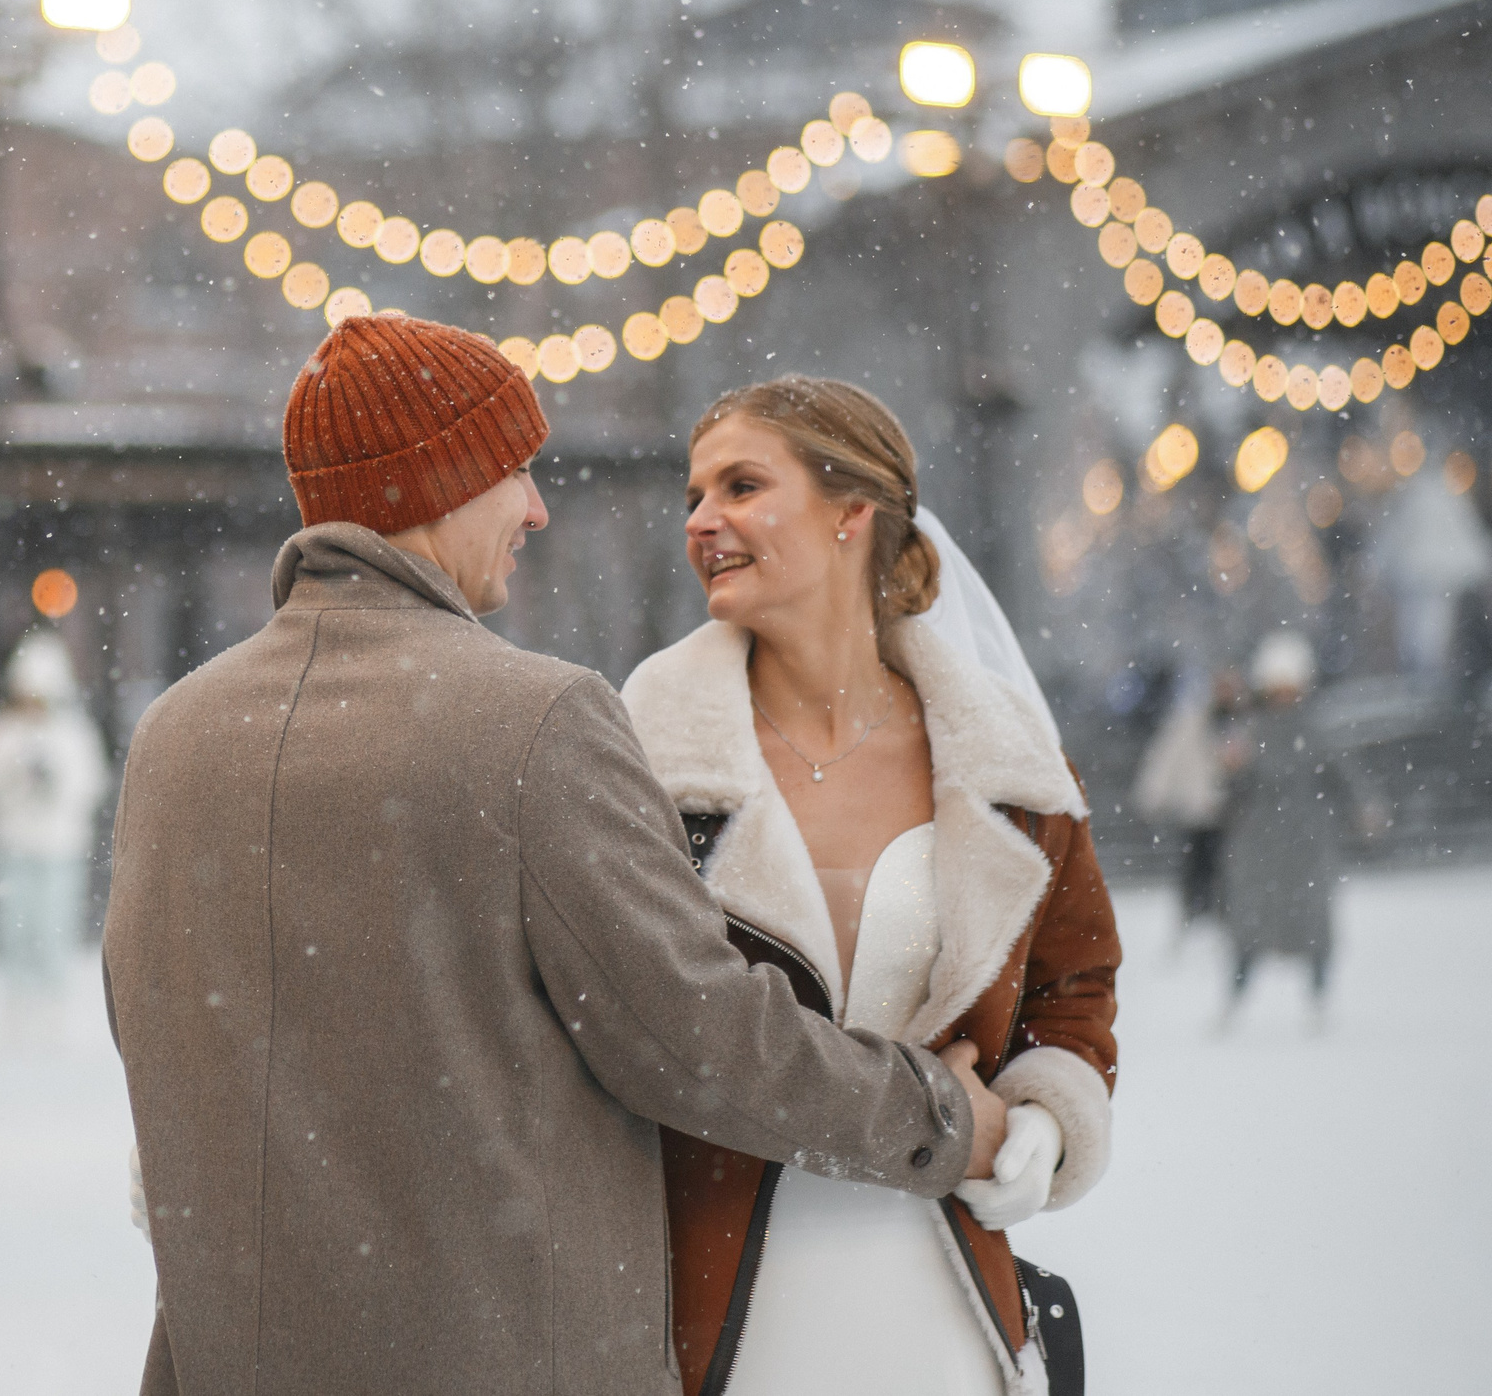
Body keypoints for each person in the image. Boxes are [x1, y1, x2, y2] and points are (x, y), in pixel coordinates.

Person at [104, 316, 1001, 1396]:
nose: (535, 506)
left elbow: (160, 1040)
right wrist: (936, 1118)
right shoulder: (533, 723)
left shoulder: (176, 735)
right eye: (512, 472)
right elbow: (696, 1037)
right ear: (437, 484)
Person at [620, 376, 1120, 1396]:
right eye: (692, 497)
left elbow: (1075, 992)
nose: (701, 522)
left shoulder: (1008, 764)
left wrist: (1043, 1121)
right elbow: (626, 1025)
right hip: (713, 1303)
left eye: (742, 486)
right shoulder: (639, 757)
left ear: (854, 513)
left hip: (939, 1295)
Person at [0, 629, 112, 1023]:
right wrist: (16, 777)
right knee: (13, 926)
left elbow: (89, 784)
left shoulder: (74, 733)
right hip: (12, 842)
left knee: (54, 925)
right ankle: (17, 996)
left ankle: (52, 999)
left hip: (59, 845)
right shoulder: (0, 731)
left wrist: (56, 785)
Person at [1220, 630, 1346, 1022]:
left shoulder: (1314, 728)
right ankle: (1236, 998)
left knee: (1313, 923)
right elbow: (1232, 787)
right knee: (1250, 925)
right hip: (1259, 843)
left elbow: (1340, 774)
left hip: (1305, 839)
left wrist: (1365, 806)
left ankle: (1318, 999)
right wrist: (1232, 769)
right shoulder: (1250, 729)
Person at [1131, 666, 1241, 932]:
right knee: (1198, 867)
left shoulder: (1245, 721)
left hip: (1236, 814)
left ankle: (1223, 917)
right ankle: (1196, 918)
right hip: (1200, 811)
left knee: (1229, 869)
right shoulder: (1193, 721)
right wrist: (1150, 795)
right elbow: (1166, 758)